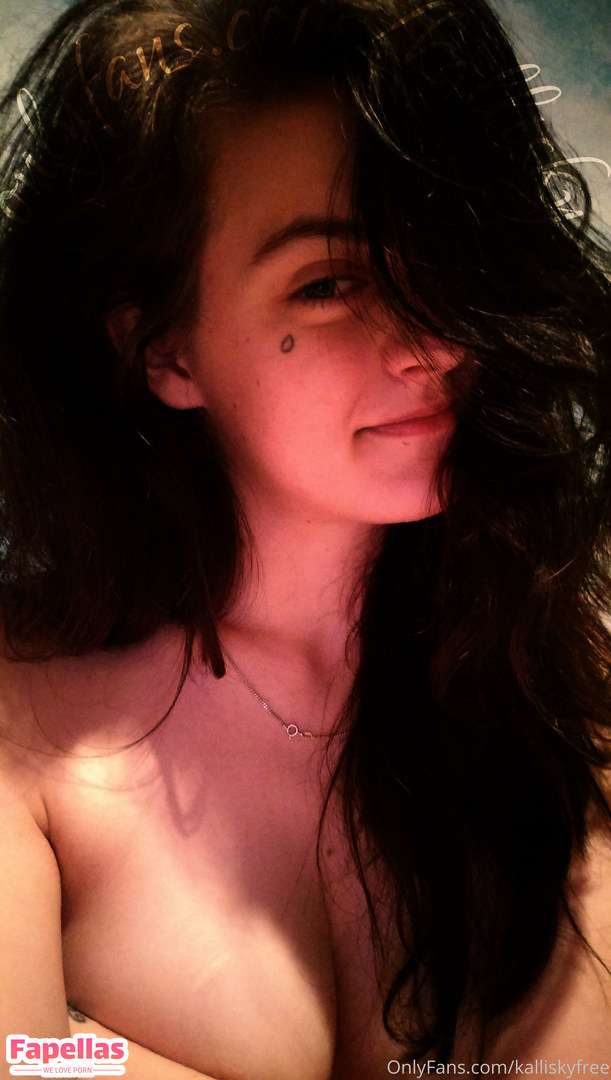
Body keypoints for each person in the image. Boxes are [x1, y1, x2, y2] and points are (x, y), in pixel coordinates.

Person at [0, 0, 610, 1076]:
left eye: (444, 256)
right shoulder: (22, 723)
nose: (432, 341)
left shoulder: (557, 688)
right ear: (163, 349)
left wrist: (90, 1056)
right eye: (329, 284)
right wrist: (50, 1054)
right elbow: (19, 1050)